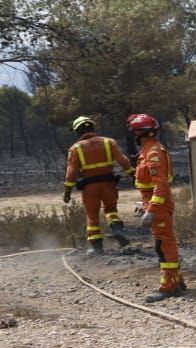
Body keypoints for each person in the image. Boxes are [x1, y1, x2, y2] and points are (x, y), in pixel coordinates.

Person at [127, 112, 185, 302]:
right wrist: (144, 204)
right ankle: (177, 281)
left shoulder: (152, 153)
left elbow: (160, 185)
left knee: (163, 245)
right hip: (154, 203)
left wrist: (151, 210)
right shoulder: (149, 150)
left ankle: (168, 286)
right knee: (164, 243)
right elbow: (150, 185)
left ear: (138, 133)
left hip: (158, 206)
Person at [62, 115, 133, 253]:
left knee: (92, 216)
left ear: (78, 132)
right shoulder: (109, 142)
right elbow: (123, 160)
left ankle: (98, 249)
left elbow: (71, 172)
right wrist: (133, 174)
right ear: (93, 127)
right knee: (111, 210)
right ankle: (117, 229)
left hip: (90, 188)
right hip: (109, 183)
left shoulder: (75, 148)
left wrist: (67, 192)